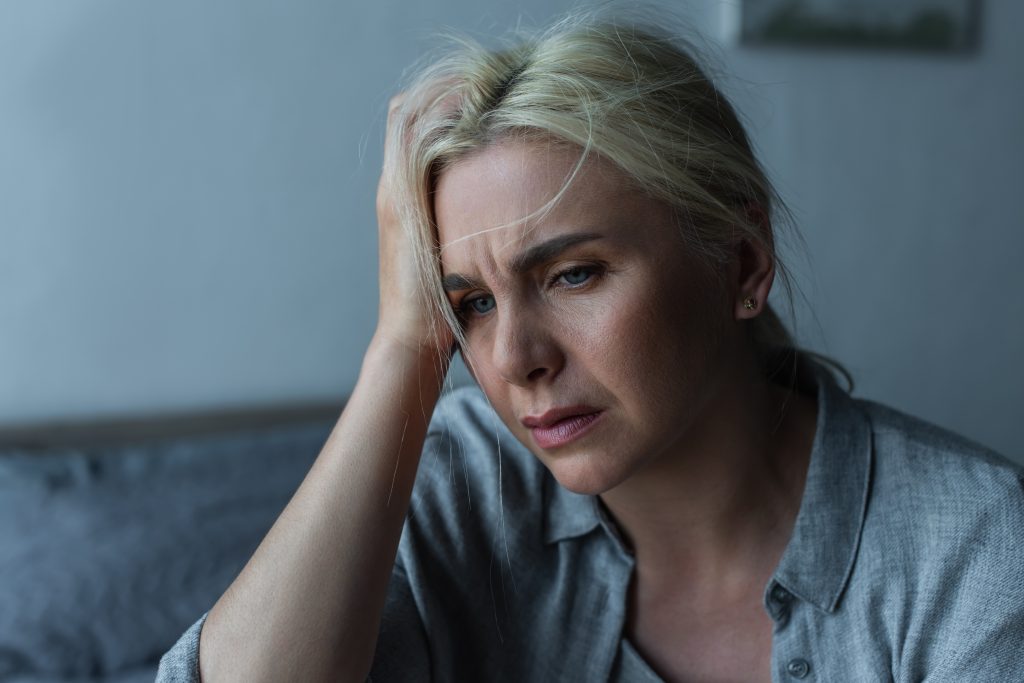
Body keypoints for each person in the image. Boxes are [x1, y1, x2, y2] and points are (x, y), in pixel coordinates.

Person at [158, 10, 1024, 682]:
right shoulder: (466, 480)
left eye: (573, 274)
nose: (515, 358)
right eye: (471, 302)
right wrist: (402, 347)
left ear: (743, 261)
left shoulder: (973, 546)